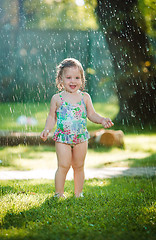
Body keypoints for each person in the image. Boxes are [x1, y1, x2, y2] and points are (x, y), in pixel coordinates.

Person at [40, 58, 114, 198]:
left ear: (82, 79)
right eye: (68, 77)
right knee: (64, 165)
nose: (73, 81)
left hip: (81, 137)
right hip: (63, 138)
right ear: (60, 79)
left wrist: (102, 120)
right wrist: (47, 129)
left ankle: (78, 193)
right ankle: (58, 194)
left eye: (77, 77)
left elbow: (91, 114)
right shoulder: (57, 98)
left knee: (79, 166)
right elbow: (51, 117)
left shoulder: (85, 97)